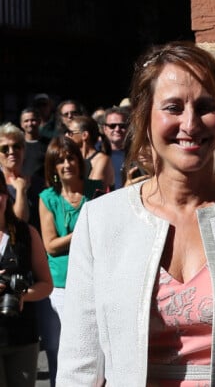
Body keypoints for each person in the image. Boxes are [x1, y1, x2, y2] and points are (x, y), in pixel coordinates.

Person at [57, 41, 215, 386]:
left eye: (205, 106)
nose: (190, 123)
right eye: (173, 107)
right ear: (145, 116)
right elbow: (79, 363)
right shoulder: (101, 220)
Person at [37, 137, 104, 387]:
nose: (67, 164)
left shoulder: (96, 190)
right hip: (60, 285)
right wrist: (82, 233)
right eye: (60, 160)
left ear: (79, 159)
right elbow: (50, 246)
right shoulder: (48, 198)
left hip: (94, 279)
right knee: (61, 350)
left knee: (95, 348)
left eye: (71, 157)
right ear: (52, 167)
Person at [0, 170, 53, 387]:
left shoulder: (26, 233)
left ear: (6, 195)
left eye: (0, 192)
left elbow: (46, 284)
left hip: (22, 336)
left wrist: (22, 295)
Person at [65, 115, 115, 190]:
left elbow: (92, 190)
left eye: (70, 133)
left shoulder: (101, 160)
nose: (66, 135)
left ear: (84, 135)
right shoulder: (71, 159)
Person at [20, 108, 48, 230]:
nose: (30, 123)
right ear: (21, 124)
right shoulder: (17, 146)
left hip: (42, 195)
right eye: (26, 121)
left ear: (39, 121)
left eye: (33, 120)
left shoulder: (48, 144)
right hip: (21, 193)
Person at [0, 123, 30, 222]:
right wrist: (21, 190)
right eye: (4, 149)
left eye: (16, 146)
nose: (11, 151)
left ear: (23, 150)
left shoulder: (38, 182)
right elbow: (19, 223)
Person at [102, 106, 129, 189]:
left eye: (122, 126)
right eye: (112, 126)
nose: (117, 129)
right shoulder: (97, 153)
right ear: (104, 129)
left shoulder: (137, 154)